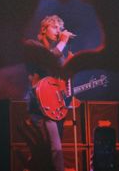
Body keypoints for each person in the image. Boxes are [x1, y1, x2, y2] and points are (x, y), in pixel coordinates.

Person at [24, 15, 75, 171]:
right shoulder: (33, 45)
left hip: (55, 107)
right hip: (40, 107)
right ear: (44, 29)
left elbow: (60, 79)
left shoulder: (59, 54)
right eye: (54, 27)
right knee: (56, 150)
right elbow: (46, 63)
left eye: (60, 29)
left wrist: (66, 91)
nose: (58, 31)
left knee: (45, 153)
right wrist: (63, 42)